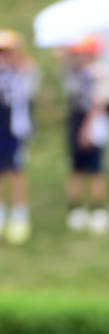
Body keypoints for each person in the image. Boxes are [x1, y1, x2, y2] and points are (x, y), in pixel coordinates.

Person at [62, 35, 109, 234]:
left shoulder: (98, 73)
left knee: (95, 166)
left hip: (92, 121)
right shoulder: (75, 71)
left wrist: (86, 128)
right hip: (77, 118)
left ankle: (97, 208)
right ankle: (75, 207)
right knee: (77, 165)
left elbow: (98, 103)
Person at [0, 30, 38, 244]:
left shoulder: (23, 71)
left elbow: (28, 89)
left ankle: (19, 214)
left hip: (14, 127)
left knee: (15, 170)